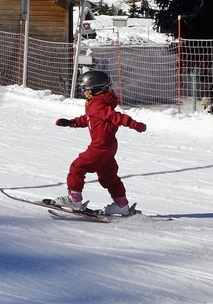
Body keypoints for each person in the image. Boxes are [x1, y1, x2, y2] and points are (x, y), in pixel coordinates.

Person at [53, 69, 148, 216]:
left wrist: (134, 124)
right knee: (109, 176)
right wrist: (71, 122)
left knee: (77, 167)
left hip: (100, 147)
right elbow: (89, 118)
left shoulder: (98, 105)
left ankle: (74, 199)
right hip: (108, 147)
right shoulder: (97, 104)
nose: (83, 92)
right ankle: (121, 204)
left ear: (94, 90)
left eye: (84, 89)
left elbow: (116, 117)